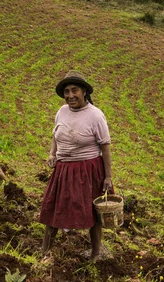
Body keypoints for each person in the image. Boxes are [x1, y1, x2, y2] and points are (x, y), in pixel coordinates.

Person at [39, 70, 113, 261]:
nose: (70, 96)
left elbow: (105, 148)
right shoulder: (61, 112)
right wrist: (52, 154)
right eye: (66, 92)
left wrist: (108, 176)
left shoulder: (95, 116)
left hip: (88, 170)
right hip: (63, 170)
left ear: (84, 92)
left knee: (92, 213)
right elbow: (56, 135)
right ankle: (45, 251)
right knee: (54, 209)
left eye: (74, 91)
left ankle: (96, 253)